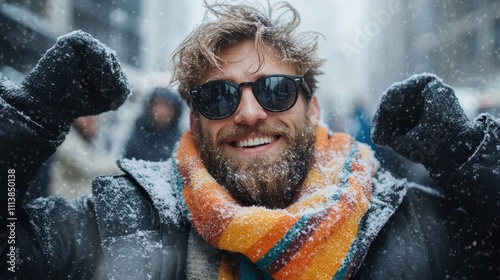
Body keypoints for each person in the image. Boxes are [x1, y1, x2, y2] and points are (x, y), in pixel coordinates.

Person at [1, 2, 499, 279]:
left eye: (277, 90)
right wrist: (27, 119)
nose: (248, 112)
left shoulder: (417, 227)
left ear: (314, 107)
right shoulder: (116, 221)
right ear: (194, 120)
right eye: (218, 98)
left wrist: (467, 156)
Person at [123, 87, 184, 161]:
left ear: (175, 111)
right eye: (158, 105)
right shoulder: (138, 135)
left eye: (166, 106)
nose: (161, 111)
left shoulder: (182, 141)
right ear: (150, 107)